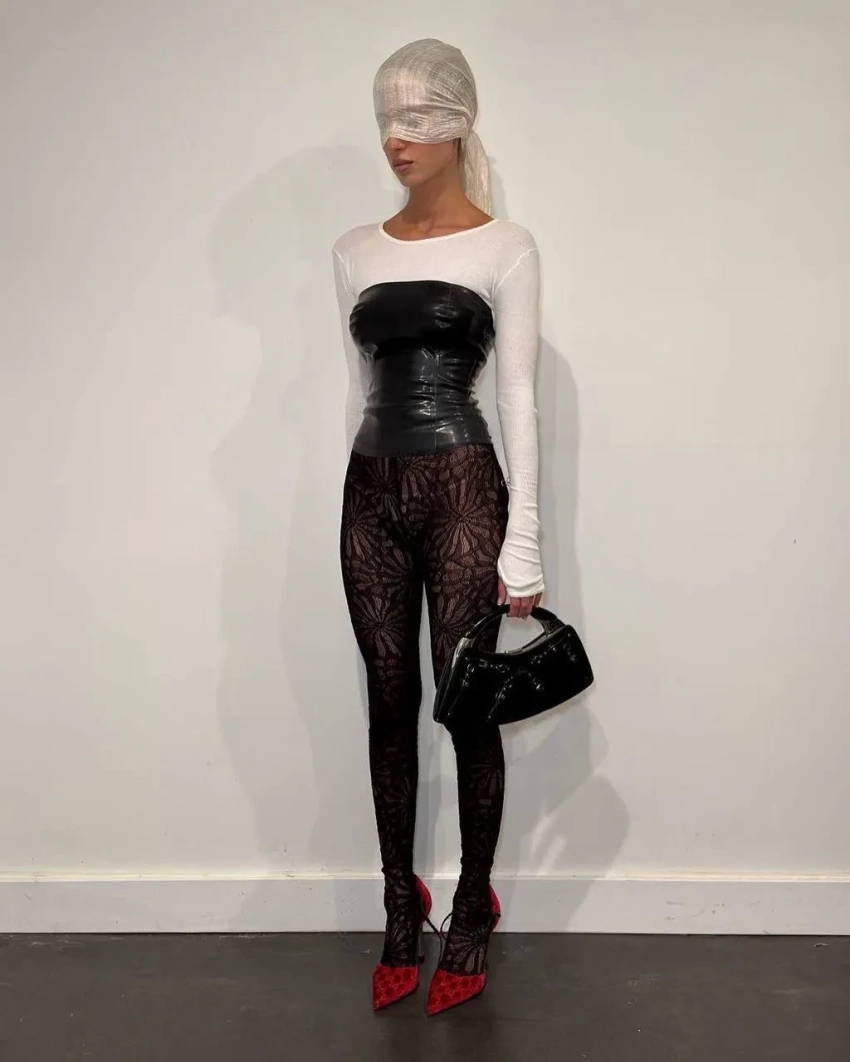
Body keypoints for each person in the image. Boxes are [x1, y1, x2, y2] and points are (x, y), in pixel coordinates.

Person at [332, 38, 545, 1015]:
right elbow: (354, 390)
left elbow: (518, 396)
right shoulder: (354, 250)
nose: (397, 138)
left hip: (462, 487)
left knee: (465, 708)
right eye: (387, 119)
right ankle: (397, 903)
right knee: (386, 700)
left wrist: (522, 542)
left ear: (459, 125)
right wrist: (355, 489)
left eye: (417, 118)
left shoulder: (506, 247)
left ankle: (470, 907)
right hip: (370, 492)